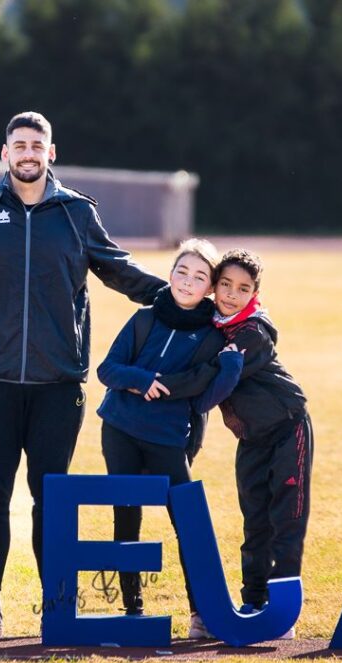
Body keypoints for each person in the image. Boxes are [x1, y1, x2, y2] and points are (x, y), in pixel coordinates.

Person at [0, 111, 165, 637]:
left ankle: (57, 604)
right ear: (5, 153)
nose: (27, 153)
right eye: (18, 144)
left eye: (37, 144)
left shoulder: (76, 214)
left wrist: (185, 297)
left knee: (51, 495)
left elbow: (120, 271)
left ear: (51, 152)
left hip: (57, 386)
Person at [156, 248, 311, 639]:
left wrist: (161, 387)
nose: (230, 294)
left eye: (242, 289)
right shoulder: (213, 326)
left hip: (288, 427)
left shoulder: (252, 333)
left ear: (254, 294)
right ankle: (253, 600)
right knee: (254, 520)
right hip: (251, 438)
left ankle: (282, 610)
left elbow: (210, 376)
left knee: (286, 521)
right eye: (225, 284)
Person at [96, 239, 244, 640]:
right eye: (182, 272)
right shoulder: (144, 319)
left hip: (167, 438)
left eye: (199, 277)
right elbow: (107, 370)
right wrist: (142, 381)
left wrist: (161, 385)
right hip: (120, 430)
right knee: (126, 516)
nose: (187, 281)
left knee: (187, 518)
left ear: (209, 288)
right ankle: (131, 611)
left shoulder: (213, 336)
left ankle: (202, 613)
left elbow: (198, 387)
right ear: (171, 273)